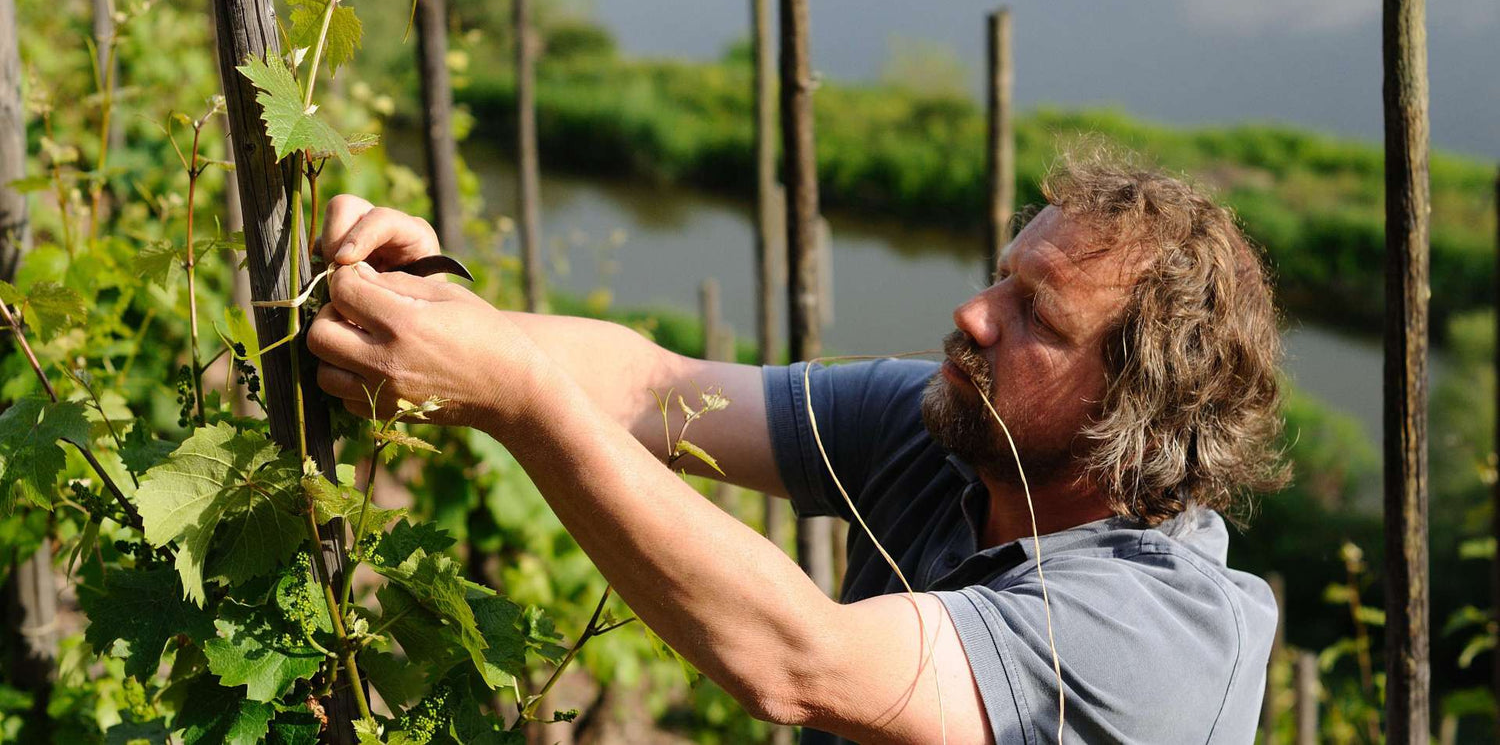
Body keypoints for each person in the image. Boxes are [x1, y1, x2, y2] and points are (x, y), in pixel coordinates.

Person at [307, 152, 1290, 744]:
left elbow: (798, 663)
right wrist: (428, 308)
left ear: (1136, 412)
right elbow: (653, 390)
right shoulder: (951, 430)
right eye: (1003, 276)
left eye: (1036, 313)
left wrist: (518, 398)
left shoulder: (1156, 637)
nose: (974, 314)